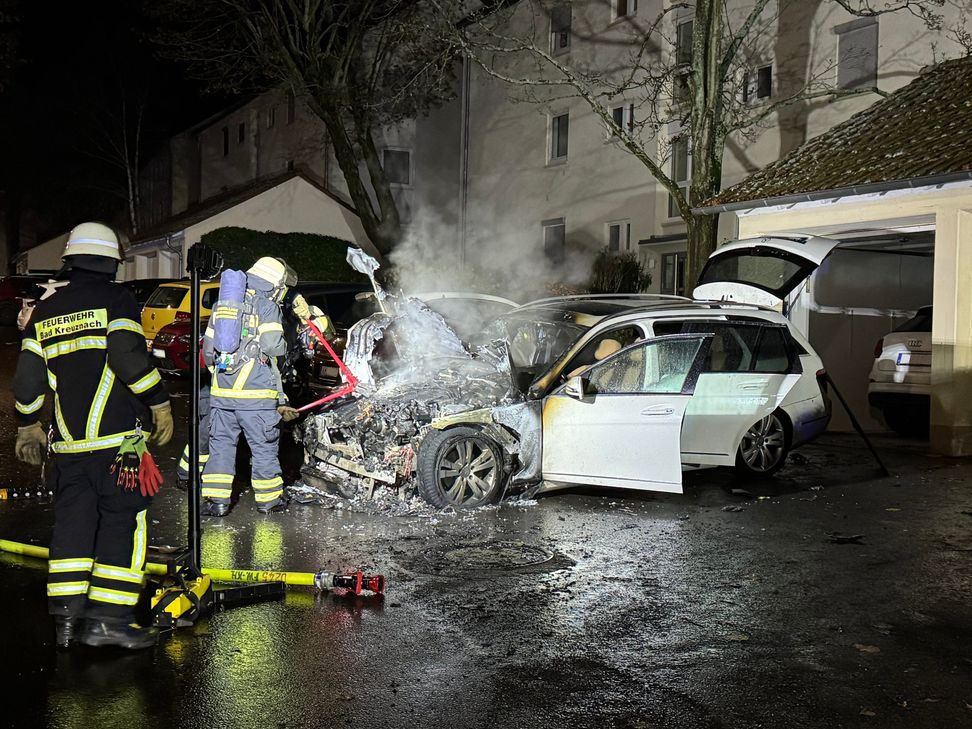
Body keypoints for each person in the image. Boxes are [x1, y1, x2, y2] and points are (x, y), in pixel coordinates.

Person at [13, 222, 173, 651]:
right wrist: (158, 401)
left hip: (68, 450)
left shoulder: (45, 312)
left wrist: (27, 423)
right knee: (123, 523)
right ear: (111, 263)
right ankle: (109, 620)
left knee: (72, 526)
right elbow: (127, 357)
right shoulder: (115, 300)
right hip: (116, 445)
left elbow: (29, 379)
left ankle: (66, 622)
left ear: (70, 259)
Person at [199, 257, 300, 517]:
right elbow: (272, 345)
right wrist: (288, 346)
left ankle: (216, 502)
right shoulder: (266, 306)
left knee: (221, 446)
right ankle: (269, 501)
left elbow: (208, 352)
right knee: (263, 448)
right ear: (274, 284)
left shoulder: (224, 305)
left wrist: (222, 378)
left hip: (222, 396)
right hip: (256, 397)